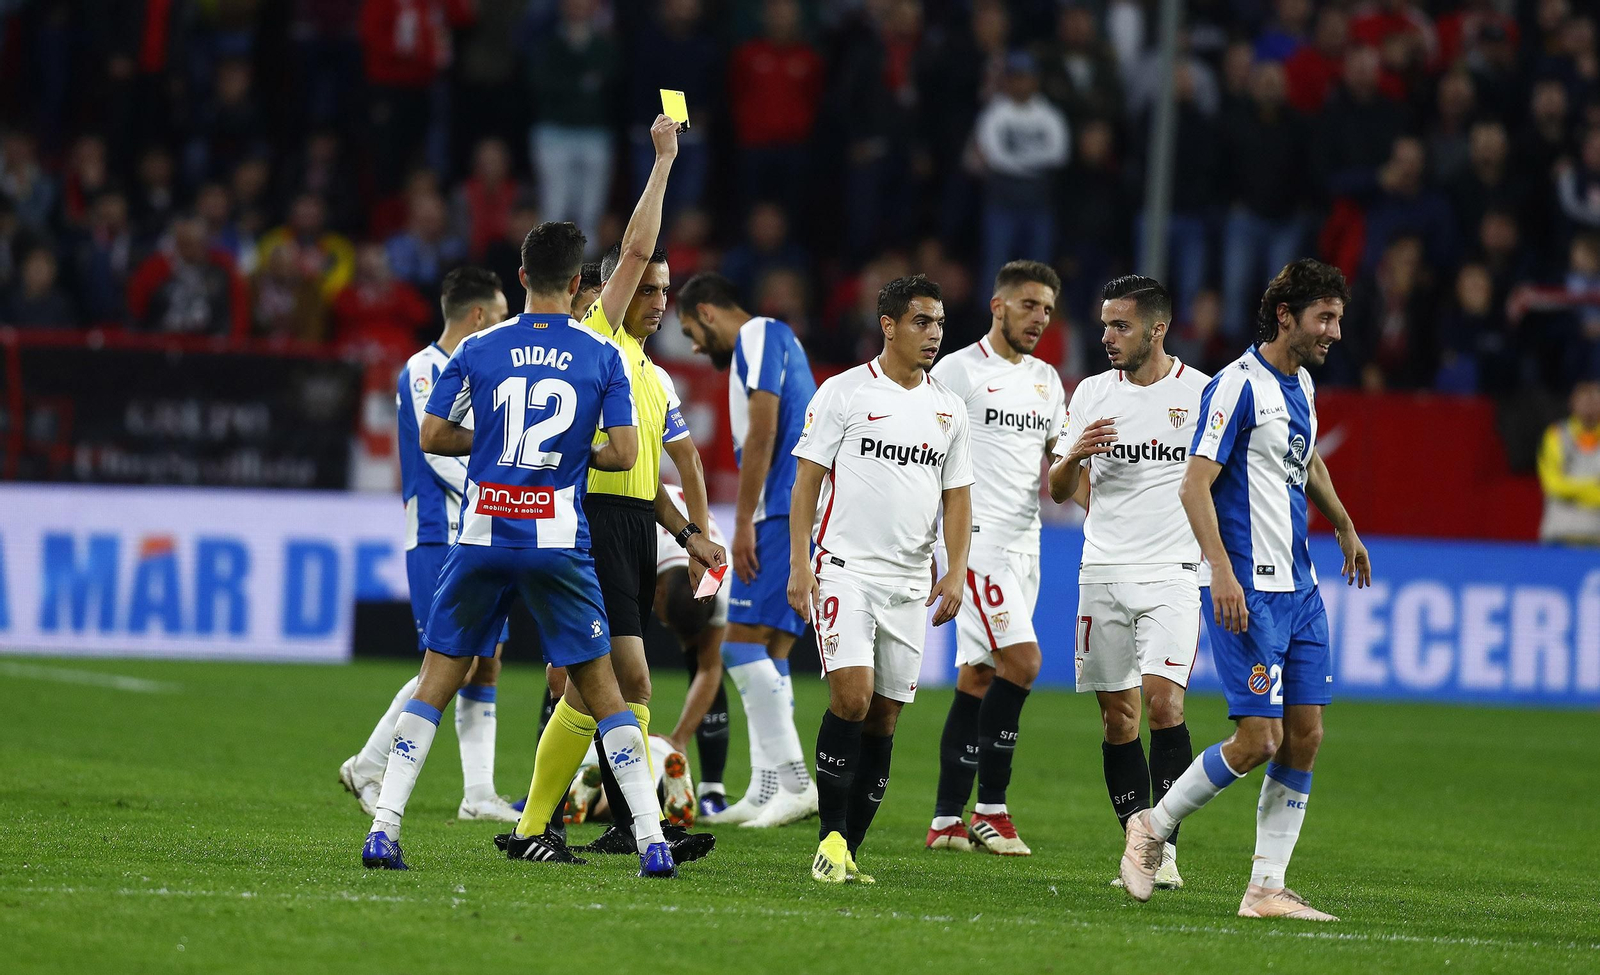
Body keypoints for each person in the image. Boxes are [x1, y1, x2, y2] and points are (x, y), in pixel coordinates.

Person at [360, 220, 680, 879]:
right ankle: (650, 839)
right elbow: (623, 454)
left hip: (481, 535)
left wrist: (489, 450)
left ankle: (384, 828)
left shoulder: (479, 346)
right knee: (605, 692)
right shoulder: (603, 354)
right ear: (577, 283)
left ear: (524, 277)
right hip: (558, 542)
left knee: (435, 681)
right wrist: (568, 456)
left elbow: (432, 433)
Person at [1119, 259, 1372, 922]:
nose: (1335, 331)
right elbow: (1194, 482)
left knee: (1305, 735)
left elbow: (1306, 457)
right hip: (1248, 592)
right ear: (1286, 315)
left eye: (1339, 318)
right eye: (1325, 317)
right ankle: (1151, 826)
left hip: (1301, 588)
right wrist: (1221, 570)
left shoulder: (1305, 386)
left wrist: (1343, 522)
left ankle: (1265, 886)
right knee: (1257, 738)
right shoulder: (1235, 386)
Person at [505, 115, 726, 864]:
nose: (659, 297)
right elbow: (634, 245)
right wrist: (662, 162)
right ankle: (586, 824)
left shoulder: (646, 369)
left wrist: (691, 537)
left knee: (609, 682)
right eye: (650, 287)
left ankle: (569, 821)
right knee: (602, 678)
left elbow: (667, 475)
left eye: (666, 288)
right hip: (589, 522)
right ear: (603, 292)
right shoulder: (594, 335)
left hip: (634, 526)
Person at [789, 274, 974, 884]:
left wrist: (954, 570)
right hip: (847, 569)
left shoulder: (948, 407)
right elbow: (807, 481)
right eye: (922, 322)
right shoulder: (843, 393)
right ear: (888, 325)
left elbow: (956, 498)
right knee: (852, 697)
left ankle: (848, 850)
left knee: (886, 717)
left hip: (908, 583)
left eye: (940, 324)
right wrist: (799, 565)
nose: (934, 335)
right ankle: (829, 842)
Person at [340, 267, 521, 826]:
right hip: (438, 535)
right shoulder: (424, 370)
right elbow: (439, 453)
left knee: (484, 661)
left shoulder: (477, 372)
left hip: (480, 532)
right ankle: (367, 764)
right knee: (448, 661)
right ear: (476, 317)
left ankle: (478, 793)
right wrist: (507, 483)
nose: (505, 324)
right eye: (499, 314)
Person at [1046, 276, 1211, 889]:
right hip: (1104, 571)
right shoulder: (1091, 393)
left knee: (1166, 705)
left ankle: (1162, 850)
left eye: (1121, 326)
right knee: (1120, 719)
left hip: (1172, 572)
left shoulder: (1201, 394)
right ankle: (1135, 844)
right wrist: (1073, 457)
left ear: (1157, 329)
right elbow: (1061, 491)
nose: (1108, 336)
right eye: (1106, 324)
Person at [922, 260, 1067, 857]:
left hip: (1025, 543)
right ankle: (992, 810)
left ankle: (945, 821)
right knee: (1025, 662)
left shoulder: (1048, 381)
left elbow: (1059, 468)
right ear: (998, 305)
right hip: (976, 543)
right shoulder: (956, 372)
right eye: (1030, 305)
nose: (1040, 319)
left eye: (1049, 310)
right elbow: (927, 452)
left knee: (979, 674)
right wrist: (938, 545)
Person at [676, 270, 820, 826]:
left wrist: (741, 520)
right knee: (772, 649)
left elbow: (763, 428)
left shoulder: (759, 335)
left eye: (691, 329)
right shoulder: (776, 340)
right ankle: (764, 789)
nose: (693, 344)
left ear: (708, 312)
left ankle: (797, 782)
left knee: (736, 645)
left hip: (778, 508)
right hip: (793, 506)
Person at [1537, 379, 1600, 545]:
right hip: (1560, 535)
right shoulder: (1555, 436)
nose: (1589, 405)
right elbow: (1553, 485)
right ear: (1572, 403)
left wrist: (1571, 490)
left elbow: (1563, 486)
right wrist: (1593, 486)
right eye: (1584, 400)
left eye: (1594, 400)